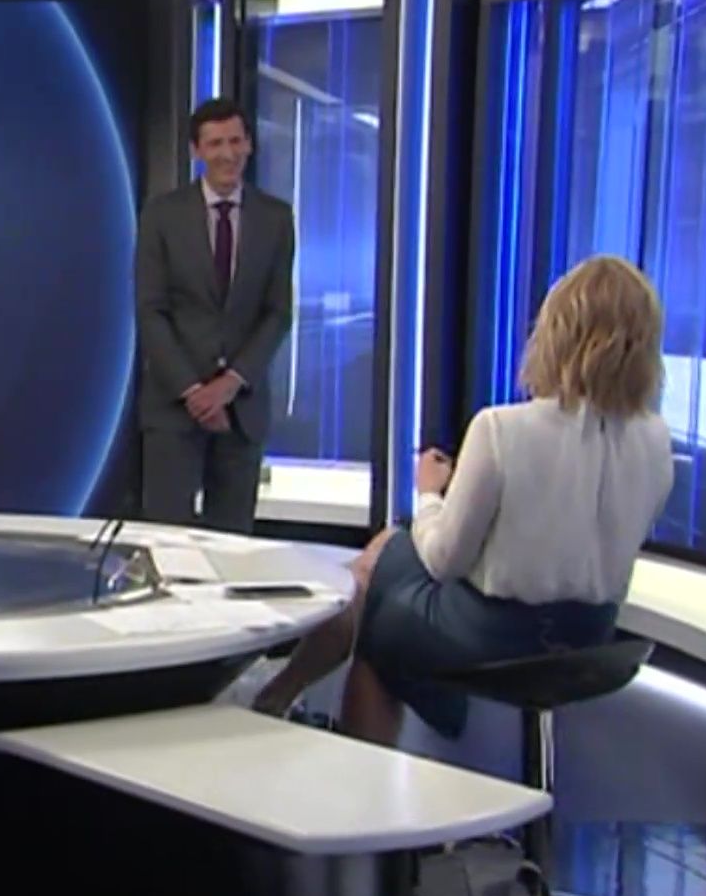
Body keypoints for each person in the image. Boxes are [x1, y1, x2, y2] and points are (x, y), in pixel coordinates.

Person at [252, 254, 675, 745]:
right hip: (590, 638)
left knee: (378, 618)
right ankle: (280, 696)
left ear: (556, 333)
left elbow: (443, 560)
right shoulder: (656, 439)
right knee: (385, 556)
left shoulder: (501, 428)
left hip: (496, 636)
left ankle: (295, 712)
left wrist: (430, 492)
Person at [134, 98, 296, 533]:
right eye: (215, 143)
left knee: (233, 545)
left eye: (236, 141)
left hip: (242, 413)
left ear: (250, 145)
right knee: (167, 541)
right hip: (173, 408)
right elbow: (151, 311)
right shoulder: (162, 215)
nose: (228, 153)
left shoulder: (276, 218)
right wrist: (195, 392)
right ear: (196, 151)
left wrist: (229, 384)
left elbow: (278, 312)